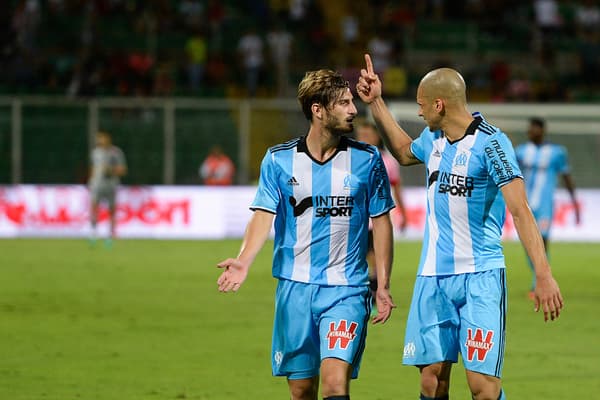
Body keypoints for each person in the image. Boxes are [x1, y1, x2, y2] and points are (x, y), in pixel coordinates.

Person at [356, 54, 564, 400]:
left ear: (439, 104)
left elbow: (521, 210)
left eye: (423, 106)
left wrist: (543, 274)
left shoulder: (492, 143)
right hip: (433, 277)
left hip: (479, 278)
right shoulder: (433, 138)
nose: (420, 113)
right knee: (431, 381)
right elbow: (405, 152)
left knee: (482, 388)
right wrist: (376, 103)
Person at [217, 69, 396, 400]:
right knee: (301, 390)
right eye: (343, 103)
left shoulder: (367, 159)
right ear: (318, 109)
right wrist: (243, 261)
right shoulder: (279, 160)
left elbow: (381, 221)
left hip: (347, 290)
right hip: (294, 289)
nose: (353, 110)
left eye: (352, 102)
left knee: (333, 382)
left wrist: (382, 285)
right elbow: (262, 215)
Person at [515, 117, 580, 297]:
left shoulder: (557, 153)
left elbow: (566, 176)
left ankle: (539, 284)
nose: (530, 131)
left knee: (542, 243)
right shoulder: (520, 152)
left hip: (544, 206)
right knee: (528, 244)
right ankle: (539, 277)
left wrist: (575, 202)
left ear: (542, 130)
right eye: (529, 128)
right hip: (524, 205)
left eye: (534, 128)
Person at [355, 119, 408, 310]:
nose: (364, 138)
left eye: (368, 135)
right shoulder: (350, 158)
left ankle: (376, 292)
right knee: (361, 259)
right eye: (361, 135)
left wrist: (404, 213)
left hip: (376, 220)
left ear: (377, 137)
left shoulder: (387, 161)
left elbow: (397, 188)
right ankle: (369, 292)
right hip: (355, 219)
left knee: (374, 256)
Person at [88, 131, 127, 245]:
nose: (100, 141)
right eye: (99, 139)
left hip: (111, 185)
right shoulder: (95, 153)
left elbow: (122, 170)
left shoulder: (116, 152)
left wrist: (110, 170)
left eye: (102, 138)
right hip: (97, 185)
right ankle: (93, 233)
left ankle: (110, 235)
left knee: (112, 210)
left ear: (108, 139)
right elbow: (93, 168)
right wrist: (91, 181)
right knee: (94, 207)